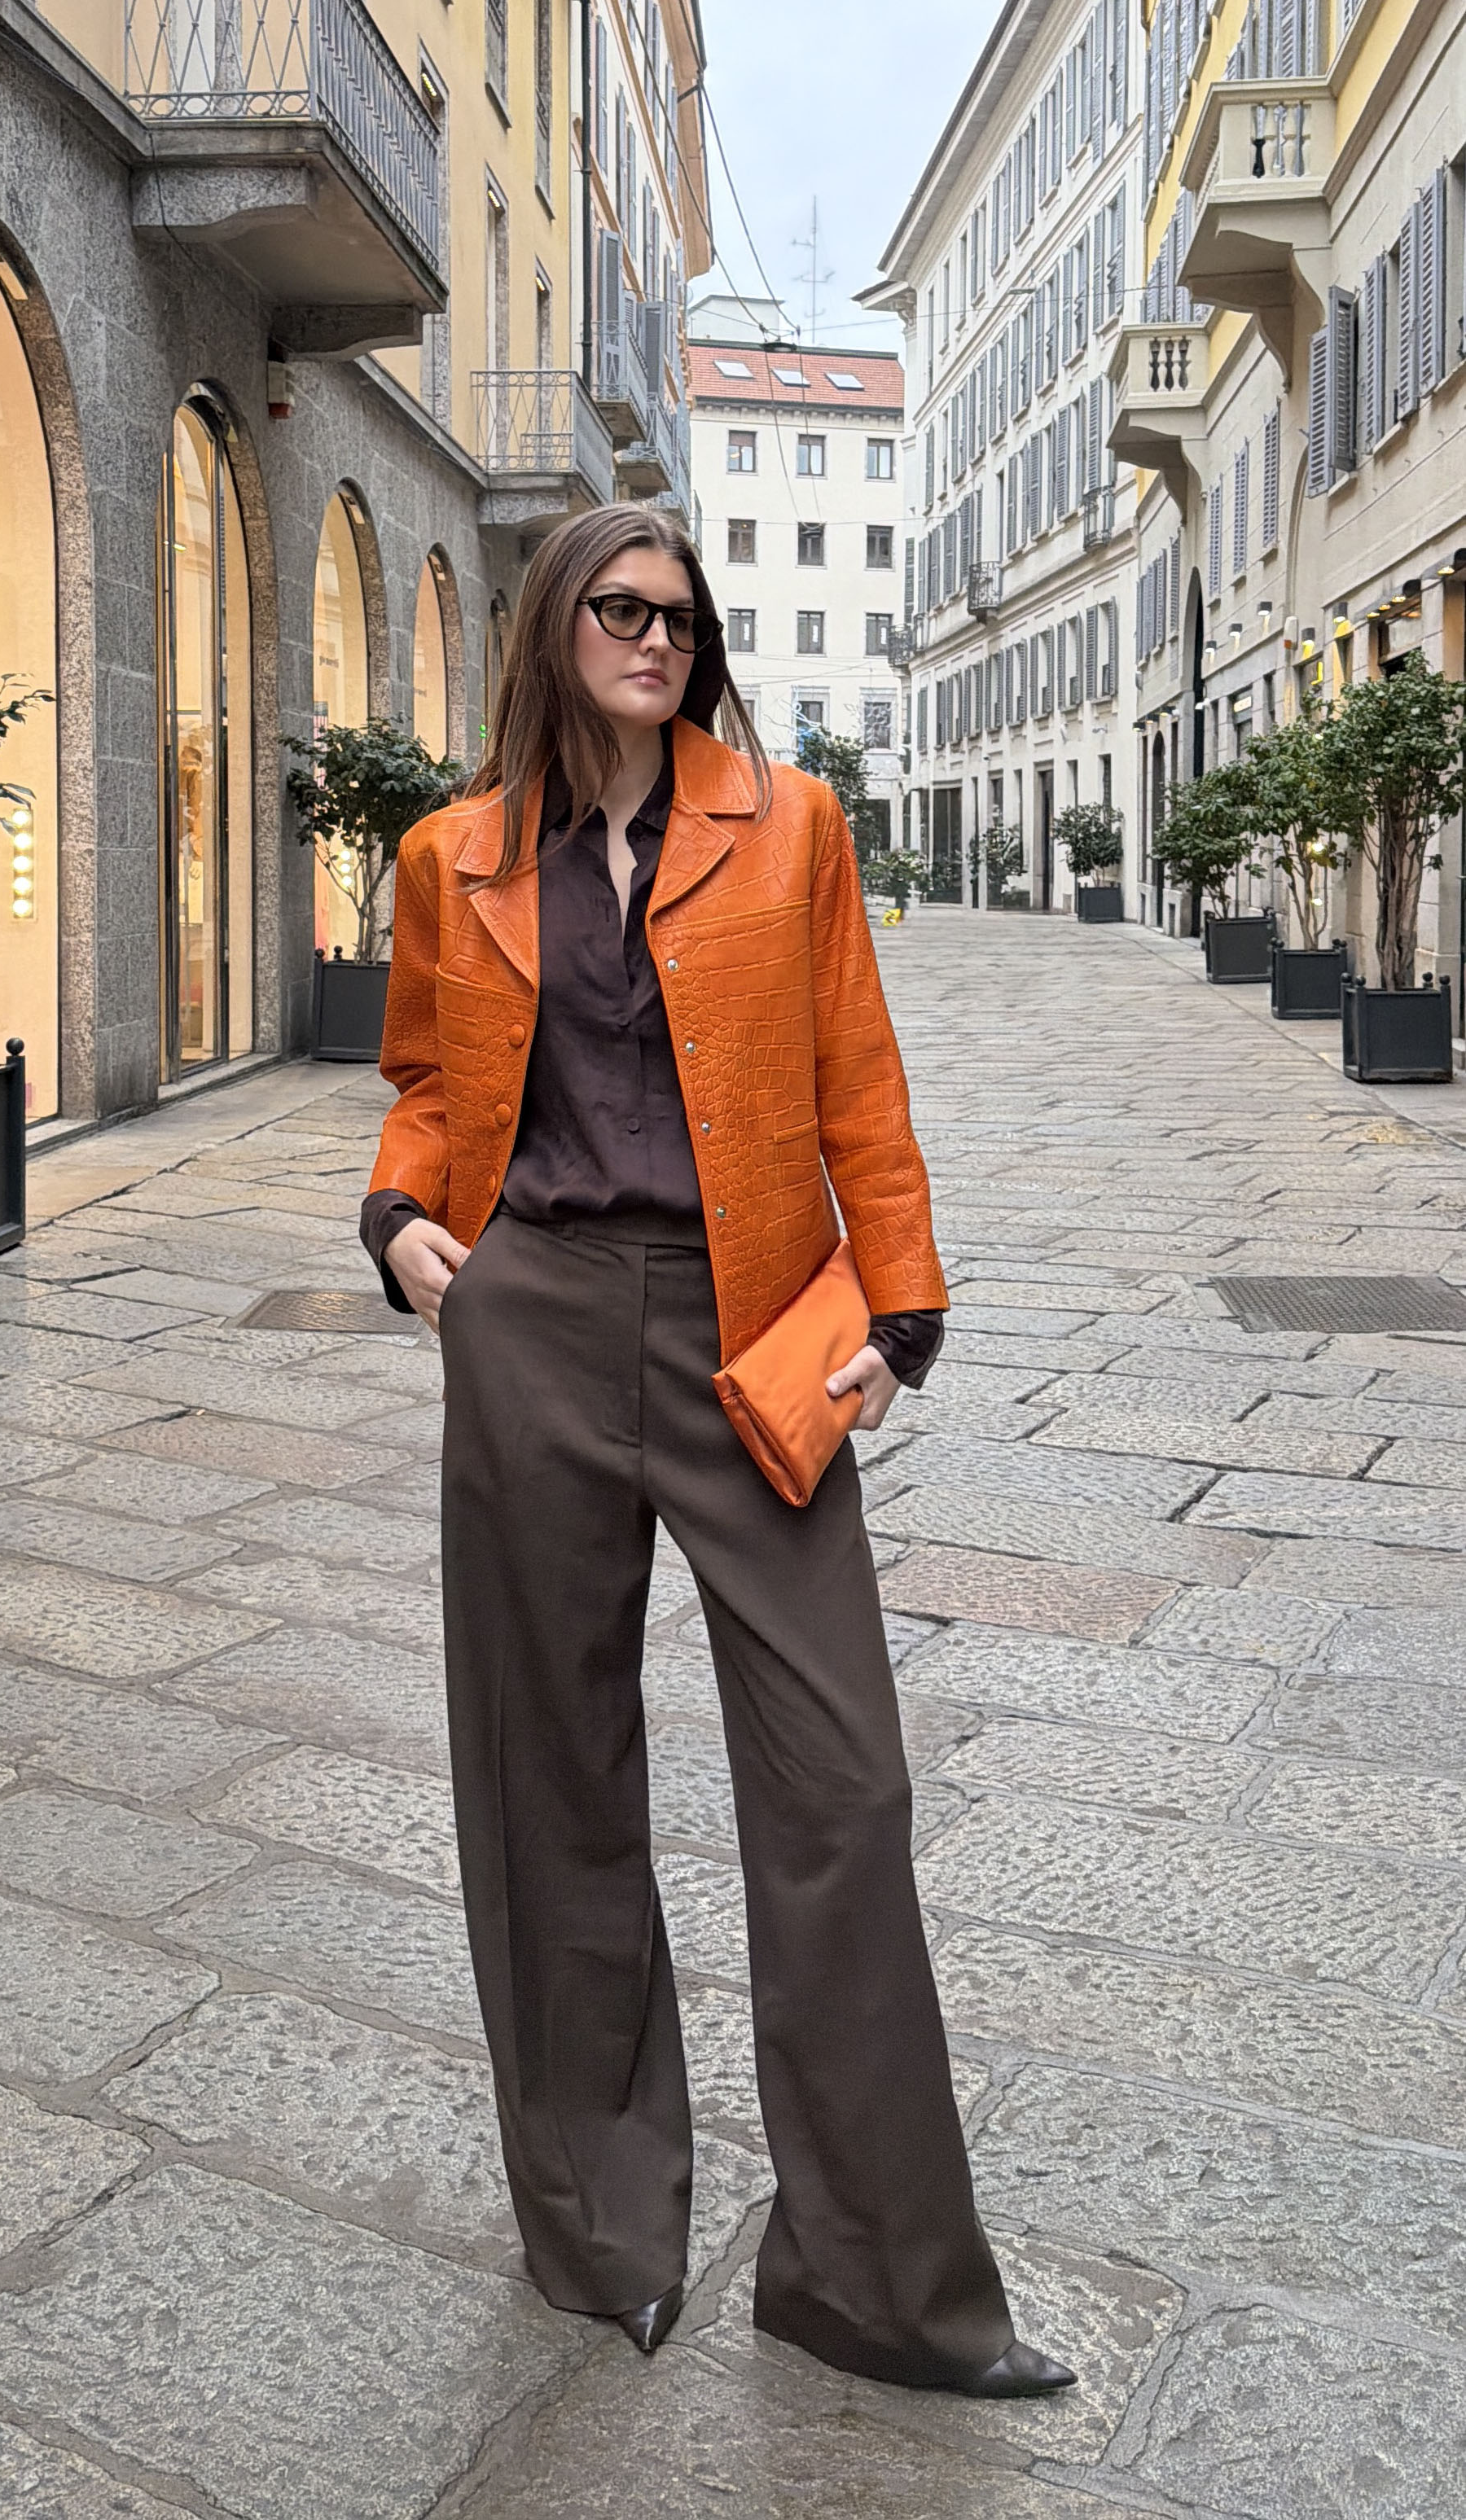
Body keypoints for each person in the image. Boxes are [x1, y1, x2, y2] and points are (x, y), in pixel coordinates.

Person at [359, 504, 1072, 2397]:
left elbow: (856, 1072)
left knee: (844, 1786)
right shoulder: (454, 853)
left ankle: (873, 2280)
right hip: (525, 1321)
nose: (655, 639)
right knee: (546, 1773)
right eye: (619, 609)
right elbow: (429, 1078)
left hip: (750, 1326)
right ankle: (599, 2233)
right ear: (552, 627)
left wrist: (896, 1309)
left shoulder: (791, 828)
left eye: (679, 615)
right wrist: (401, 1218)